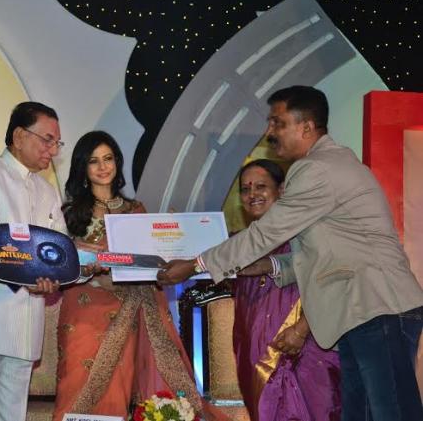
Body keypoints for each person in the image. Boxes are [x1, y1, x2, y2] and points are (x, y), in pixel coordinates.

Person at [158, 85, 423, 421]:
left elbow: (266, 233)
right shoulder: (330, 164)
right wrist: (268, 266)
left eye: (278, 123)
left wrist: (196, 264)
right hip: (362, 312)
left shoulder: (316, 169)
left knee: (393, 414)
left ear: (306, 127)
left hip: (375, 306)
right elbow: (323, 254)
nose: (270, 132)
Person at [52, 131, 229, 421]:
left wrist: (174, 234)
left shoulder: (136, 210)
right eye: (94, 161)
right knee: (76, 380)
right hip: (83, 309)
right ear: (83, 167)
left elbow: (149, 261)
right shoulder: (70, 214)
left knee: (120, 385)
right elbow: (61, 263)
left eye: (108, 159)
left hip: (129, 307)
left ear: (117, 162)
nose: (103, 167)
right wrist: (89, 266)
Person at [0, 102, 64, 421]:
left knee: (12, 415)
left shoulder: (48, 190)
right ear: (19, 136)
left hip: (29, 322)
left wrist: (77, 265)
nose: (53, 150)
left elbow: (59, 250)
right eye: (47, 139)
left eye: (57, 143)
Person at [232, 159, 340, 420]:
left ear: (281, 190)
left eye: (261, 186)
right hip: (255, 348)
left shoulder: (304, 234)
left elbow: (330, 281)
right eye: (245, 189)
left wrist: (301, 330)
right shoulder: (244, 243)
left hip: (303, 346)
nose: (252, 194)